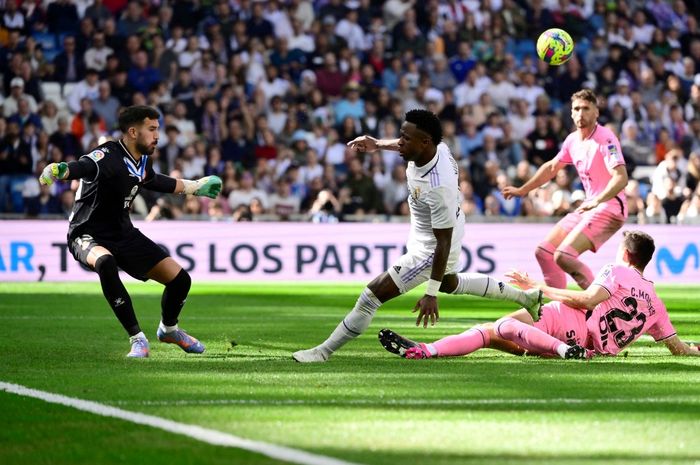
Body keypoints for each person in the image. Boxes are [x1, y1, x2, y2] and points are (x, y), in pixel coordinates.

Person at [292, 109, 542, 363]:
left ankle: (322, 352)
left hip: (432, 246)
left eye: (405, 138)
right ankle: (525, 297)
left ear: (425, 143)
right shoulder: (436, 148)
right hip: (441, 227)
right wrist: (377, 144)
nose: (400, 142)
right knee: (450, 282)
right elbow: (409, 143)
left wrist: (430, 294)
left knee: (371, 296)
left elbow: (442, 243)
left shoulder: (438, 186)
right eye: (401, 135)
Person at [38, 105, 222, 358]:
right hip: (86, 232)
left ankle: (169, 330)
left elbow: (153, 180)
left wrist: (194, 187)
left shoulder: (142, 158)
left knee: (181, 281)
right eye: (152, 129)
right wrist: (61, 170)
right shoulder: (108, 154)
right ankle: (138, 339)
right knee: (105, 262)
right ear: (133, 132)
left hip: (123, 233)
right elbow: (84, 167)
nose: (158, 135)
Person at [379, 230, 700, 361]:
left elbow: (587, 301)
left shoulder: (617, 271)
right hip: (595, 349)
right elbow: (678, 349)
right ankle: (424, 350)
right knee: (498, 337)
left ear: (627, 255)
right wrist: (696, 349)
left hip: (573, 322)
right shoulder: (656, 302)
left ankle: (426, 350)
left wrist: (538, 287)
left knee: (501, 327)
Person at [503, 89, 629, 290]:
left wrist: (599, 199)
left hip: (610, 207)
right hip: (590, 206)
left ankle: (604, 306)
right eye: (577, 109)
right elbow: (552, 168)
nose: (581, 113)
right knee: (544, 252)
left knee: (563, 255)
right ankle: (558, 309)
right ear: (571, 113)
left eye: (586, 108)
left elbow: (621, 177)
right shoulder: (572, 140)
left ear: (596, 112)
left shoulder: (606, 138)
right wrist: (522, 189)